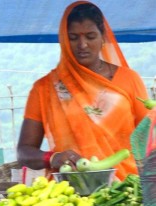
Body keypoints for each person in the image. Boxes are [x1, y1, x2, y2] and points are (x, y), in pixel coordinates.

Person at [17, 1, 149, 180]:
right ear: (64, 40)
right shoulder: (44, 88)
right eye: (73, 38)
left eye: (90, 36)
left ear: (103, 37)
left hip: (124, 189)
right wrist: (53, 158)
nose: (83, 45)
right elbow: (24, 152)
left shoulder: (129, 79)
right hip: (68, 191)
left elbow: (149, 140)